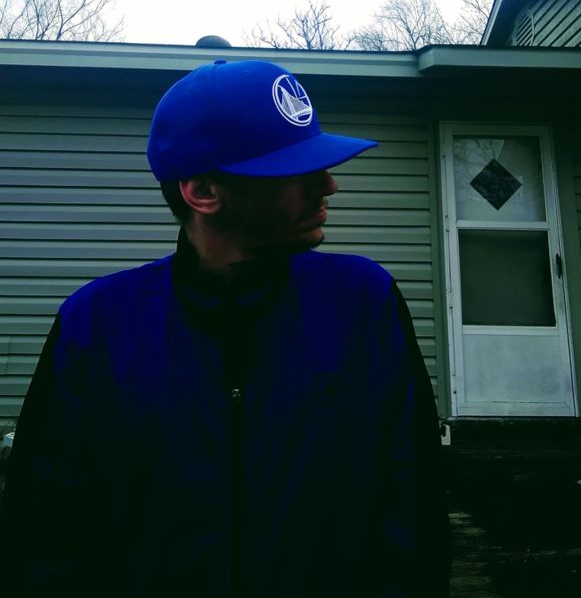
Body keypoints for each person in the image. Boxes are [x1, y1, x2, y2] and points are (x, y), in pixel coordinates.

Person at [1, 59, 450, 597]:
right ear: (204, 192)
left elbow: (414, 511)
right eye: (297, 171)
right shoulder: (95, 326)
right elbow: (43, 533)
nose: (329, 184)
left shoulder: (363, 304)